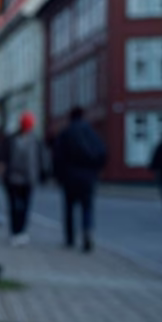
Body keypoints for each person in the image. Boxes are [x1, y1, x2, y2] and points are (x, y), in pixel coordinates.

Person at [52, 106, 107, 252]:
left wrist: (58, 176)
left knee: (69, 208)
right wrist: (96, 171)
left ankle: (70, 238)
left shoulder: (65, 133)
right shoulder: (91, 133)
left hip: (69, 176)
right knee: (87, 207)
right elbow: (102, 151)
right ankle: (87, 232)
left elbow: (57, 157)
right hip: (88, 177)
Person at [3, 112, 40, 246]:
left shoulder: (34, 140)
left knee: (25, 207)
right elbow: (5, 158)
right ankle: (15, 232)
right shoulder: (12, 140)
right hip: (13, 179)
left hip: (28, 179)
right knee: (14, 206)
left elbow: (38, 159)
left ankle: (21, 231)